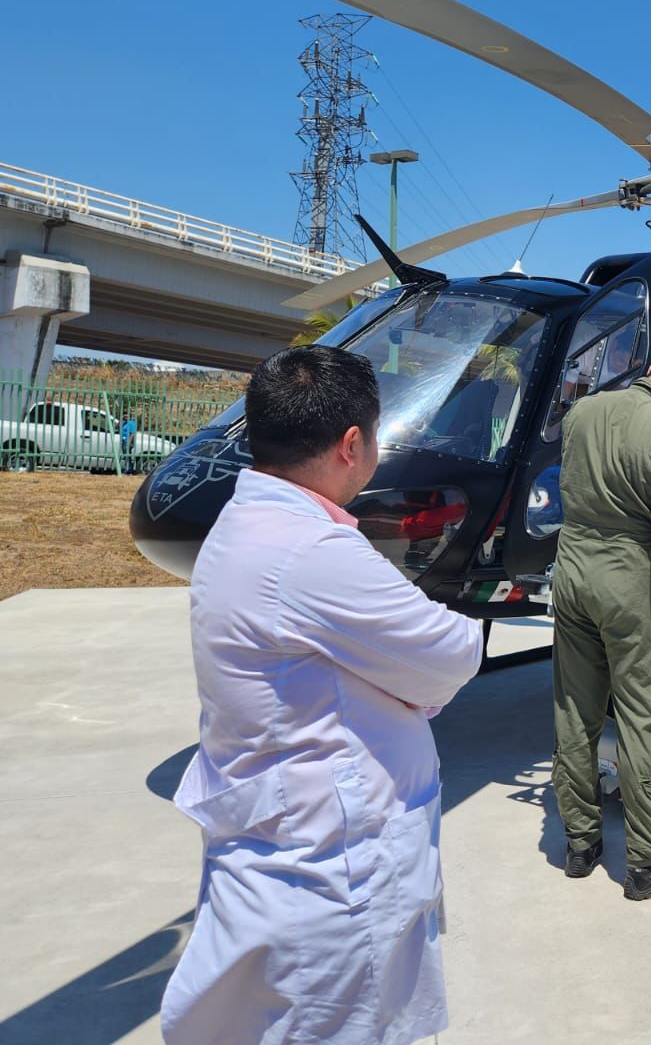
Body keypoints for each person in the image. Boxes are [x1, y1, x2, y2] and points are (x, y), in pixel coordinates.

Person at [162, 345, 482, 1045]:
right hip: (331, 875)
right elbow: (453, 653)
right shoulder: (315, 553)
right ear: (351, 445)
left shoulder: (247, 524)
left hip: (288, 845)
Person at [552, 348, 651, 900]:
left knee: (575, 708)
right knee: (642, 716)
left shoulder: (582, 412)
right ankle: (648, 861)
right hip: (628, 578)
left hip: (570, 571)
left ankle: (579, 841)